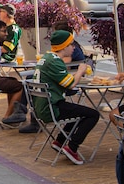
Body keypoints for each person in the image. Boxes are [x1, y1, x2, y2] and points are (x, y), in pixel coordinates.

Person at [30, 30, 100, 165]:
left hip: (41, 106)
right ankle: (72, 147)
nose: (74, 47)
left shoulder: (47, 58)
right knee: (92, 114)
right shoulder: (55, 62)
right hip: (51, 108)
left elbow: (64, 81)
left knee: (77, 111)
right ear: (63, 47)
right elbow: (70, 84)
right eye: (71, 44)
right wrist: (80, 71)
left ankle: (60, 141)